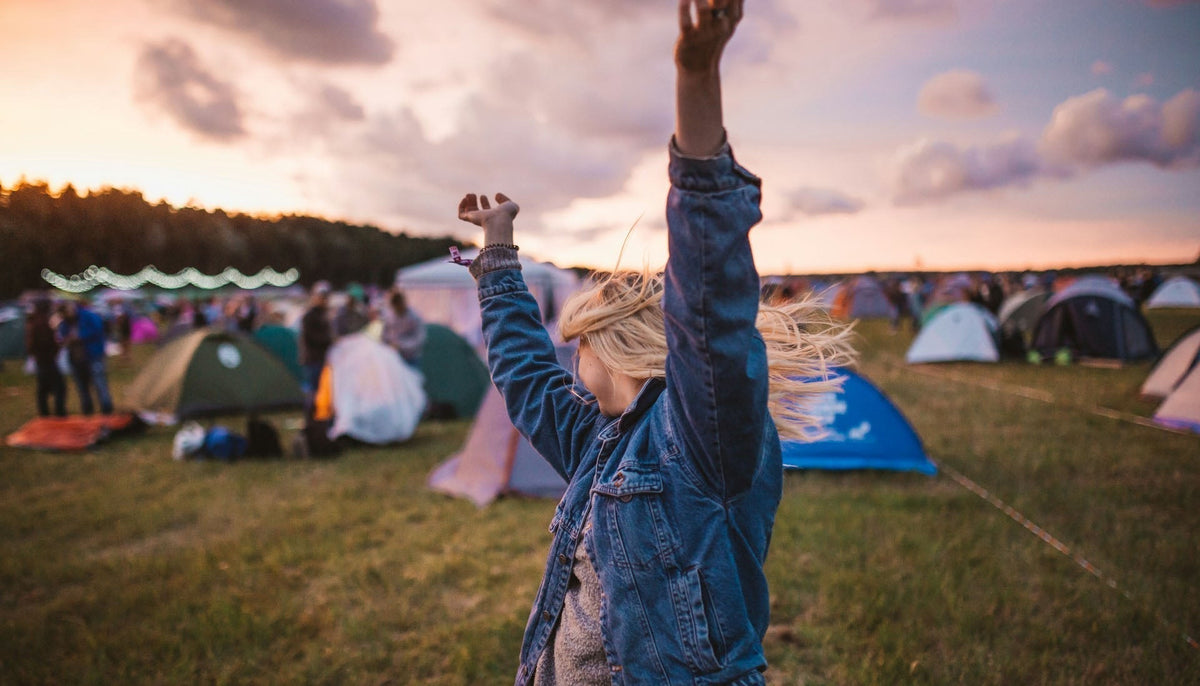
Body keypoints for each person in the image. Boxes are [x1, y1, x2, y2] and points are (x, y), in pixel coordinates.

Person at [455, 2, 856, 683]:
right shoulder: (598, 441)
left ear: (606, 345)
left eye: (574, 341)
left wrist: (695, 86)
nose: (565, 357)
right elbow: (524, 378)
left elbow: (710, 305)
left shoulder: (701, 437)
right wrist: (497, 253)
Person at [57, 299, 114, 415]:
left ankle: (106, 408)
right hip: (76, 357)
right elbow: (62, 334)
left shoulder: (88, 316)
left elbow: (98, 329)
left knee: (99, 382)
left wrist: (80, 336)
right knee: (82, 386)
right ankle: (87, 409)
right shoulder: (65, 322)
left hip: (93, 355)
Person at [25, 298, 66, 417]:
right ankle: (58, 413)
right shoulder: (42, 323)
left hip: (42, 360)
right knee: (58, 387)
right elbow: (46, 342)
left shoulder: (34, 322)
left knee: (43, 389)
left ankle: (45, 413)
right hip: (46, 360)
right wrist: (55, 349)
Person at [299, 282, 334, 397]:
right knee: (313, 389)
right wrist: (330, 340)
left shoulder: (323, 315)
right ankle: (311, 412)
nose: (324, 300)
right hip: (313, 358)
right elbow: (311, 337)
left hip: (321, 358)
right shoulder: (310, 316)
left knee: (320, 388)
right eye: (322, 297)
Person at [381, 289, 426, 366]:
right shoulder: (389, 316)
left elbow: (419, 339)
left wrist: (401, 345)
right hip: (393, 357)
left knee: (411, 377)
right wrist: (389, 345)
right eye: (395, 305)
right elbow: (385, 335)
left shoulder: (414, 317)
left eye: (399, 303)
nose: (397, 307)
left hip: (410, 357)